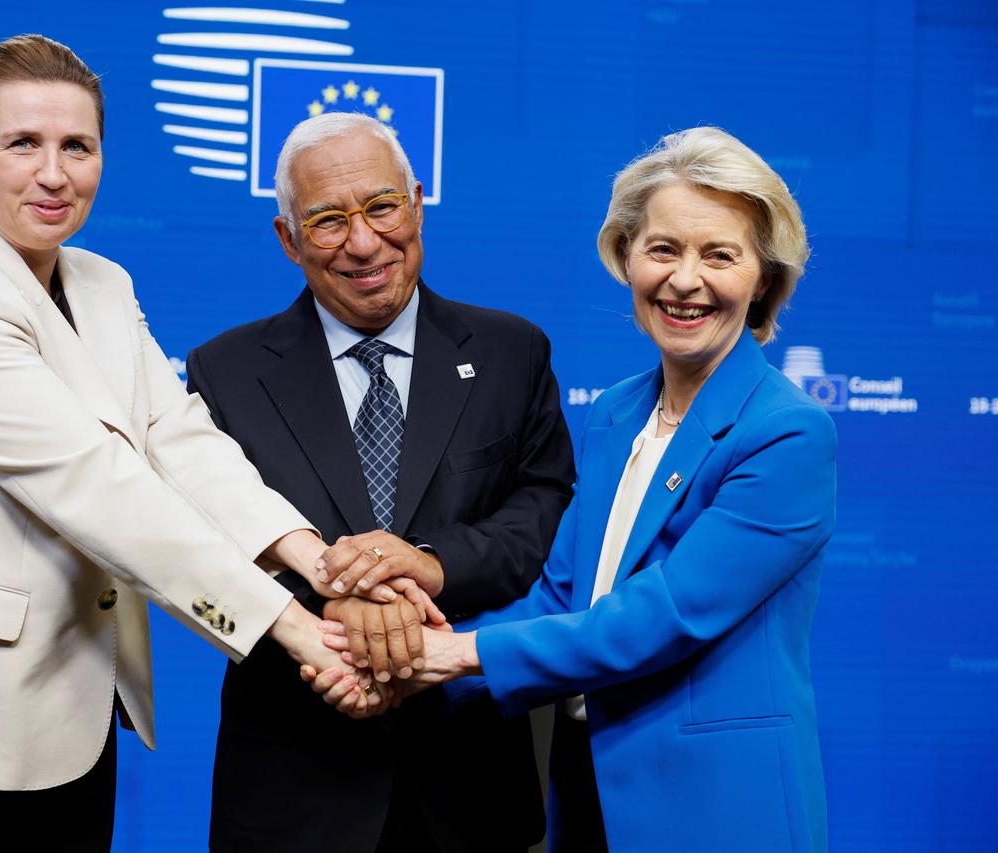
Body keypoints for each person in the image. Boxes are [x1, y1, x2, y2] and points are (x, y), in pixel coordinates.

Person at [0, 35, 385, 853]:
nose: (54, 174)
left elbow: (181, 441)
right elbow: (100, 488)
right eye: (23, 144)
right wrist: (298, 629)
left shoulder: (104, 282)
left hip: (67, 729)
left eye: (77, 146)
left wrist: (318, 564)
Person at [315, 126, 837, 852]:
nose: (685, 280)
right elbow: (562, 596)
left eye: (720, 254)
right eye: (663, 249)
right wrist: (411, 660)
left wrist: (446, 657)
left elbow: (666, 613)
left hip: (717, 806)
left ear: (763, 279)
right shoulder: (616, 413)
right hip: (589, 793)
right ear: (626, 257)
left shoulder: (788, 431)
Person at [187, 112, 577, 852]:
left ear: (418, 201)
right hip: (293, 786)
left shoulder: (511, 352)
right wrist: (345, 611)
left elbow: (543, 512)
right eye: (328, 220)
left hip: (473, 780)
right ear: (288, 238)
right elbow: (207, 545)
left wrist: (430, 563)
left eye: (381, 206)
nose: (364, 242)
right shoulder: (224, 372)